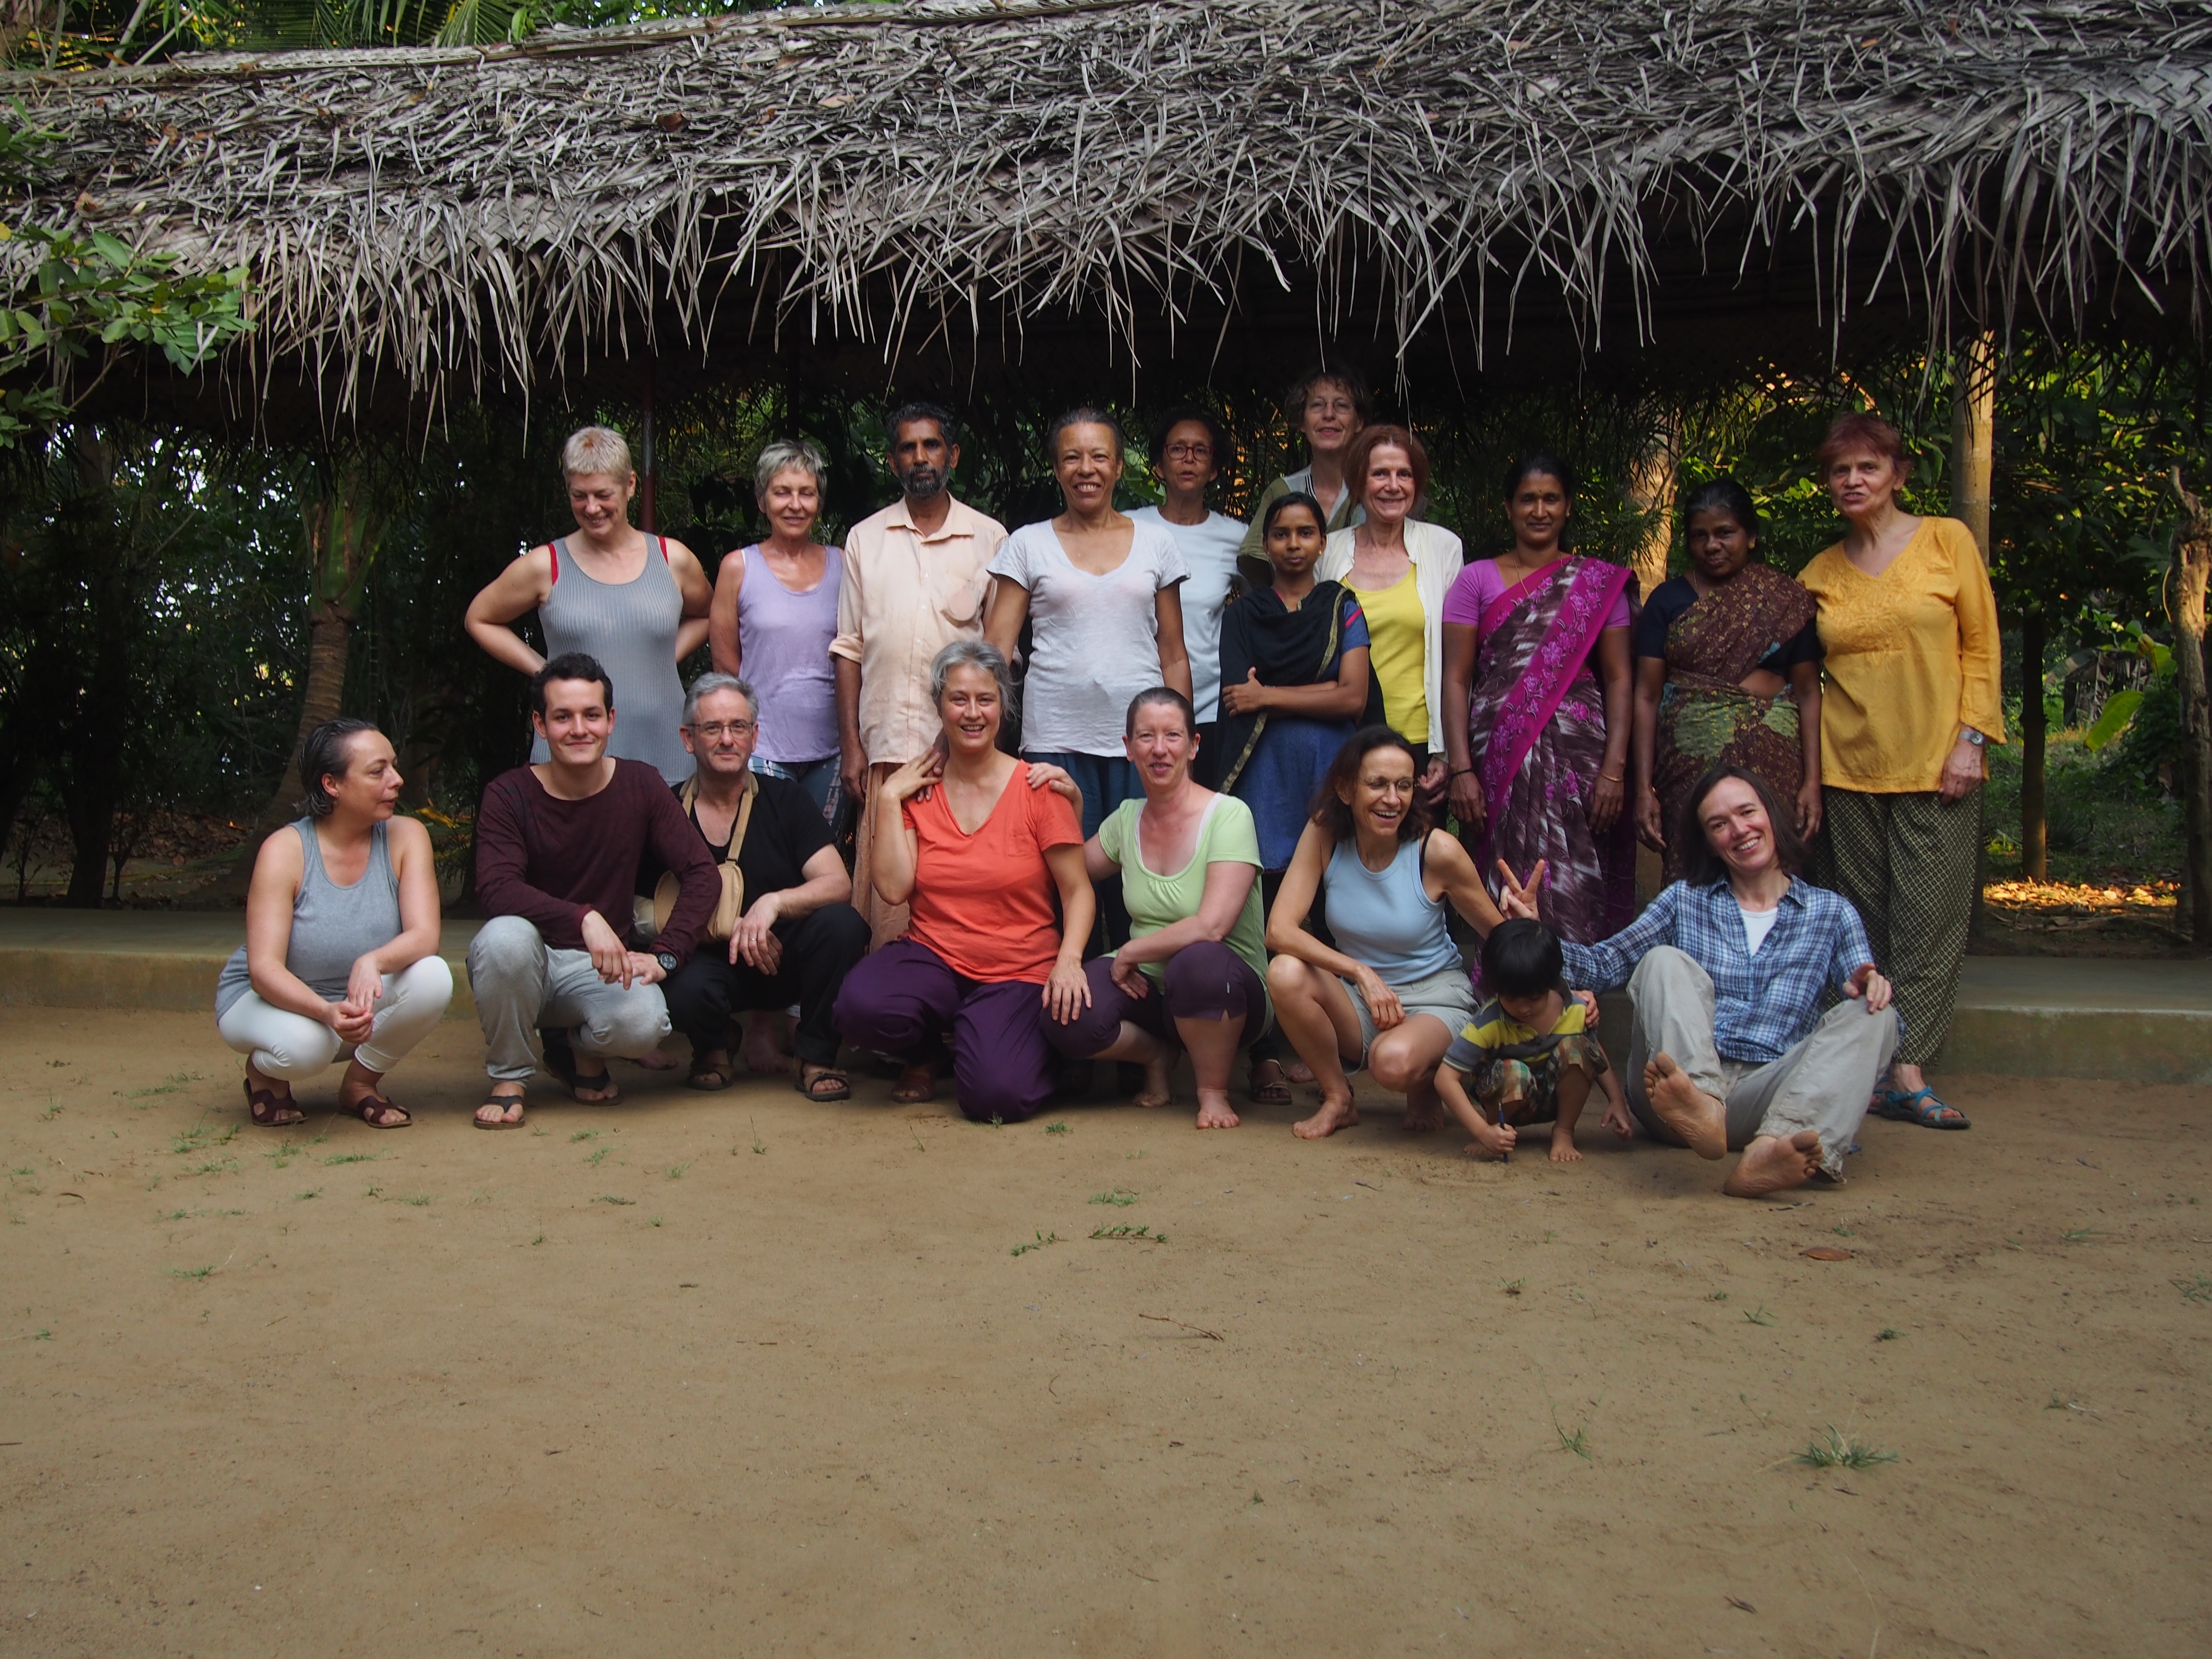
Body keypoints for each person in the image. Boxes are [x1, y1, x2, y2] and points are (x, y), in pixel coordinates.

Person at [1501, 765, 1899, 1199]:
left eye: (1747, 813)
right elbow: (1604, 964)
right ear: (1709, 842)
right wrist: (1536, 934)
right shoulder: (1684, 900)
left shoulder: (1832, 913)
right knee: (1663, 960)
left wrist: (1871, 985)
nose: (1739, 830)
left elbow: (1862, 987)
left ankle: (1769, 1153)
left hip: (1770, 1095)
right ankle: (1703, 1107)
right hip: (1675, 1091)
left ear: (1771, 814)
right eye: (1719, 824)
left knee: (1878, 1016)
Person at [1796, 413, 2002, 1132]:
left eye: (1868, 467)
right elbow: (1797, 674)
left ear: (1899, 475)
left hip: (1937, 764)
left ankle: (1908, 1067)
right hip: (1848, 768)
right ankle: (1872, 1067)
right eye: (1840, 471)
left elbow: (1982, 645)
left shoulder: (1947, 541)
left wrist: (1971, 739)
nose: (1852, 481)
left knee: (1929, 923)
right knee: (1864, 925)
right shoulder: (1819, 572)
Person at [832, 640, 1094, 1122]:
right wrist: (889, 799)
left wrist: (1070, 961)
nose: (972, 713)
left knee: (996, 1097)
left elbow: (1077, 890)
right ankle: (928, 1051)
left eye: (985, 699)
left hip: (1017, 969)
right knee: (858, 1007)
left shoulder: (1038, 788)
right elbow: (893, 889)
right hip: (935, 957)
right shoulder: (917, 790)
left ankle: (1020, 1044)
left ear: (1003, 707)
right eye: (958, 699)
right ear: (939, 706)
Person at [466, 654, 721, 1130]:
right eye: (563, 717)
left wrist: (667, 954)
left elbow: (702, 874)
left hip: (600, 968)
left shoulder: (640, 784)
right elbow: (498, 889)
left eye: (591, 715)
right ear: (540, 725)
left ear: (611, 720)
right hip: (526, 964)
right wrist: (582, 917)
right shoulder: (509, 794)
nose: (579, 729)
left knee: (646, 1025)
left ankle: (578, 1050)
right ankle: (509, 1078)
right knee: (504, 939)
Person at [1040, 688, 1272, 1130]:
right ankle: (1157, 1055)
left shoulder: (1229, 815)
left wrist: (1131, 951)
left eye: (1173, 736)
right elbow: (1071, 871)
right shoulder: (1126, 818)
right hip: (1149, 988)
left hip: (1228, 991)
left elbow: (1212, 926)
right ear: (1128, 749)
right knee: (1065, 1013)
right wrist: (1073, 806)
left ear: (1194, 746)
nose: (1160, 749)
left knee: (1197, 963)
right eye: (1146, 737)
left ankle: (1213, 1092)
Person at [1265, 727, 1510, 1140]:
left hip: (1436, 1001)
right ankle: (1338, 1098)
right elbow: (1279, 930)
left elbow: (1502, 938)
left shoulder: (1436, 850)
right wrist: (1360, 973)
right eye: (1377, 784)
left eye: (1404, 785)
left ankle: (1429, 1079)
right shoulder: (1326, 833)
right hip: (1364, 1001)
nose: (1392, 799)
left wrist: (1528, 930)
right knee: (1284, 972)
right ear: (1346, 789)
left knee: (1391, 1063)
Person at [215, 719, 451, 1129]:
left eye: (393, 766)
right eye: (377, 771)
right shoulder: (285, 850)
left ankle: (360, 1085)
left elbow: (425, 936)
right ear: (332, 785)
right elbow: (264, 970)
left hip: (351, 1004)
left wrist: (372, 961)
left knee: (434, 976)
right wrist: (325, 1011)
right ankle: (264, 1073)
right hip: (264, 1000)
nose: (396, 780)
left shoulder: (407, 836)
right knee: (309, 1048)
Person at [1440, 454, 1634, 948]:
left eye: (1552, 499)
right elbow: (1456, 679)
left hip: (1580, 757)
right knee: (1505, 875)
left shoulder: (1596, 584)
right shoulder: (1475, 580)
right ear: (1509, 508)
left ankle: (1579, 982)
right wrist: (1461, 770)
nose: (1540, 510)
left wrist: (1615, 771)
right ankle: (1508, 982)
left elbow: (1619, 679)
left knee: (1578, 874)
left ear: (1568, 506)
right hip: (1499, 757)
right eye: (1528, 499)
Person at [832, 403, 1009, 945]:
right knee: (888, 893)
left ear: (952, 454)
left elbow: (1000, 656)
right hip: (885, 747)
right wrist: (851, 747)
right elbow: (849, 648)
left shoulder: (990, 538)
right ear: (892, 462)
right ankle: (889, 989)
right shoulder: (865, 539)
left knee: (956, 881)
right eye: (908, 448)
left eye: (931, 445)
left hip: (962, 751)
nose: (921, 457)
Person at [984, 407, 1193, 863]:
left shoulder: (1157, 543)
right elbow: (996, 650)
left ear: (1118, 466)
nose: (1086, 469)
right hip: (1054, 738)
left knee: (1138, 874)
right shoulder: (1028, 544)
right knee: (1061, 872)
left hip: (1142, 740)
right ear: (1056, 468)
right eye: (1071, 458)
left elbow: (1174, 655)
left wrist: (1180, 740)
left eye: (1099, 457)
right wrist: (986, 741)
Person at [652, 673, 869, 1103]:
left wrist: (774, 904)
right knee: (673, 975)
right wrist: (724, 927)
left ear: (754, 737)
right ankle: (714, 1045)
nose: (727, 740)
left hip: (781, 958)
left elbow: (837, 883)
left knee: (842, 925)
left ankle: (815, 1057)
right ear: (688, 739)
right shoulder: (665, 810)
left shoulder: (785, 799)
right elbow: (641, 906)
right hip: (709, 964)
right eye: (712, 728)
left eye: (738, 727)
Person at [465, 425, 713, 785]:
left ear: (630, 485)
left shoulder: (672, 558)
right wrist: (546, 671)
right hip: (572, 754)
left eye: (603, 495)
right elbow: (480, 618)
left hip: (664, 750)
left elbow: (708, 614)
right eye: (579, 496)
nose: (592, 508)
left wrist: (662, 656)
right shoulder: (545, 564)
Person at [1631, 478, 1824, 880]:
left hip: (1774, 765)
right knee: (1695, 872)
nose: (1712, 546)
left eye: (1725, 533)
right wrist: (1643, 788)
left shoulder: (1785, 600)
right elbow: (1647, 695)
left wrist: (1812, 782)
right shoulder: (1668, 601)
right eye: (1700, 536)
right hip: (1688, 767)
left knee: (1775, 870)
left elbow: (1808, 691)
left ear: (1750, 536)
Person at [1217, 492, 1378, 875]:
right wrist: (1328, 690)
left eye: (1305, 533)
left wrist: (1267, 695)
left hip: (1330, 766)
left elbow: (1354, 698)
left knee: (1337, 879)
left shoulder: (1343, 608)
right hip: (1264, 771)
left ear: (1322, 543)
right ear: (1265, 544)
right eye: (1281, 534)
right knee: (1264, 881)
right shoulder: (1242, 616)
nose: (1293, 544)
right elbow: (1241, 700)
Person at [1317, 423, 1464, 801]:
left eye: (1405, 474)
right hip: (1342, 737)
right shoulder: (1327, 550)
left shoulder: (1443, 548)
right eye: (1380, 474)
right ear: (1359, 481)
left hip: (1418, 742)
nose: (1393, 486)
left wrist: (1445, 752)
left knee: (1419, 841)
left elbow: (1458, 661)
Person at [707, 438, 845, 823]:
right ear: (761, 500)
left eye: (807, 493)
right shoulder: (738, 568)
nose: (795, 505)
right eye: (782, 492)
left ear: (819, 502)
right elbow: (726, 666)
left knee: (823, 851)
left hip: (833, 750)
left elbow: (857, 654)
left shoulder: (844, 566)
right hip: (762, 745)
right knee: (767, 847)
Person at [1434, 918, 1632, 1165]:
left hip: (1557, 1098)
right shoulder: (1489, 1021)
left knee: (1578, 1050)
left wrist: (1616, 1101)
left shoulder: (1577, 1010)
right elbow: (1445, 1078)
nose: (1524, 1008)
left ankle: (1564, 1132)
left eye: (1534, 998)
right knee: (1513, 1072)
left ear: (1551, 983)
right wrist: (1482, 1131)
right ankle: (1498, 1132)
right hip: (1506, 1098)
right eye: (1511, 999)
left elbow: (1595, 1053)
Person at [1127, 407, 1247, 766]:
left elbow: (1264, 609)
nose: (1189, 459)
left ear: (1215, 470)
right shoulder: (1128, 528)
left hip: (1209, 707)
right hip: (1135, 702)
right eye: (1177, 449)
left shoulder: (1237, 538)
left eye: (1201, 450)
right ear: (1159, 465)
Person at [1237, 366, 1370, 565]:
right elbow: (1256, 565)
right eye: (1317, 405)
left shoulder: (1377, 490)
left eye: (1342, 406)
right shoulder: (1283, 491)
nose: (1329, 414)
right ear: (1302, 422)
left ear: (1359, 422)